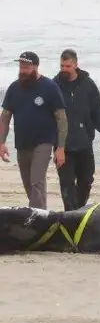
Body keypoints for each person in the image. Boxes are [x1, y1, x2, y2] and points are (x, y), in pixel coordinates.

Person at [0, 51, 68, 210]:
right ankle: (40, 213)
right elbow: (5, 116)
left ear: (36, 67)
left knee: (37, 181)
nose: (23, 70)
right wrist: (2, 142)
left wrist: (61, 147)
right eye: (21, 67)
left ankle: (37, 219)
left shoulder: (50, 87)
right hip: (22, 143)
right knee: (28, 183)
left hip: (43, 142)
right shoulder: (14, 88)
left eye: (27, 67)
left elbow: (61, 118)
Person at [53, 49, 100, 211]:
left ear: (76, 65)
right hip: (62, 147)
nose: (64, 69)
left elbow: (98, 110)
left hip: (84, 143)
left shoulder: (88, 84)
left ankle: (78, 210)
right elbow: (47, 116)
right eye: (61, 65)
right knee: (66, 183)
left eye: (67, 66)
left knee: (86, 181)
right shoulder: (54, 85)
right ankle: (70, 214)